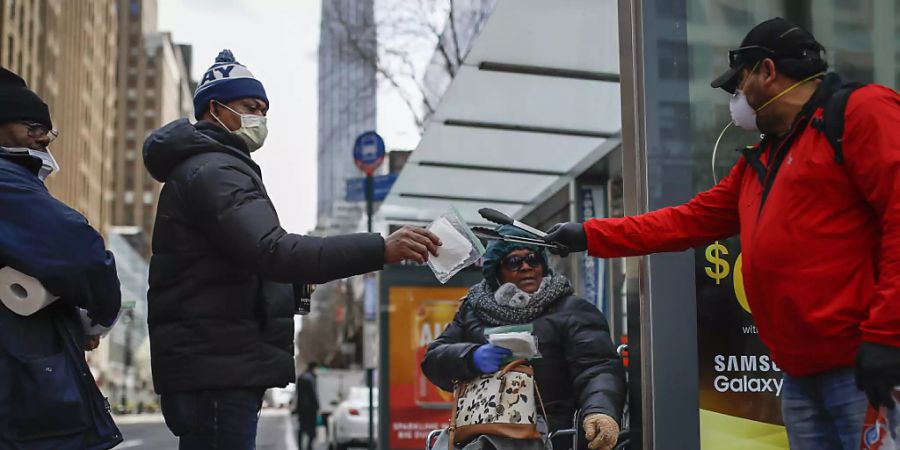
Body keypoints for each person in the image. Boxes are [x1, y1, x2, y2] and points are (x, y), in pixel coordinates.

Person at [546, 17, 900, 450]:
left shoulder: (861, 113)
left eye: (740, 83)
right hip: (802, 377)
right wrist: (588, 235)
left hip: (866, 369)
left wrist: (887, 336)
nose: (737, 99)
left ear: (768, 72)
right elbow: (684, 222)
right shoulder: (760, 162)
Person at [143, 50, 442, 449]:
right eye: (250, 107)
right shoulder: (214, 171)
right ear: (214, 108)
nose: (260, 119)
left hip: (216, 364)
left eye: (264, 110)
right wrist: (381, 248)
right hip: (217, 369)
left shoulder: (213, 167)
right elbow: (272, 251)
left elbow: (246, 261)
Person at [0, 67, 123, 449]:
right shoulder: (8, 185)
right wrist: (100, 316)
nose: (42, 139)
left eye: (47, 130)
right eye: (32, 126)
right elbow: (83, 254)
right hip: (22, 393)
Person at [422, 225, 626, 450]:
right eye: (514, 262)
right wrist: (471, 357)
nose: (526, 267)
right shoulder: (472, 310)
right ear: (496, 272)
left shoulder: (573, 310)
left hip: (550, 431)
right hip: (478, 424)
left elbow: (597, 367)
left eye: (533, 259)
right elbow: (433, 359)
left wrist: (600, 411)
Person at [296, 362, 320, 450]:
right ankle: (309, 446)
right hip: (310, 408)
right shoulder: (310, 378)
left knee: (302, 427)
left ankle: (300, 446)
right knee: (311, 429)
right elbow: (312, 394)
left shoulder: (301, 376)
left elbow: (298, 395)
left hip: (301, 408)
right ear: (314, 368)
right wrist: (317, 406)